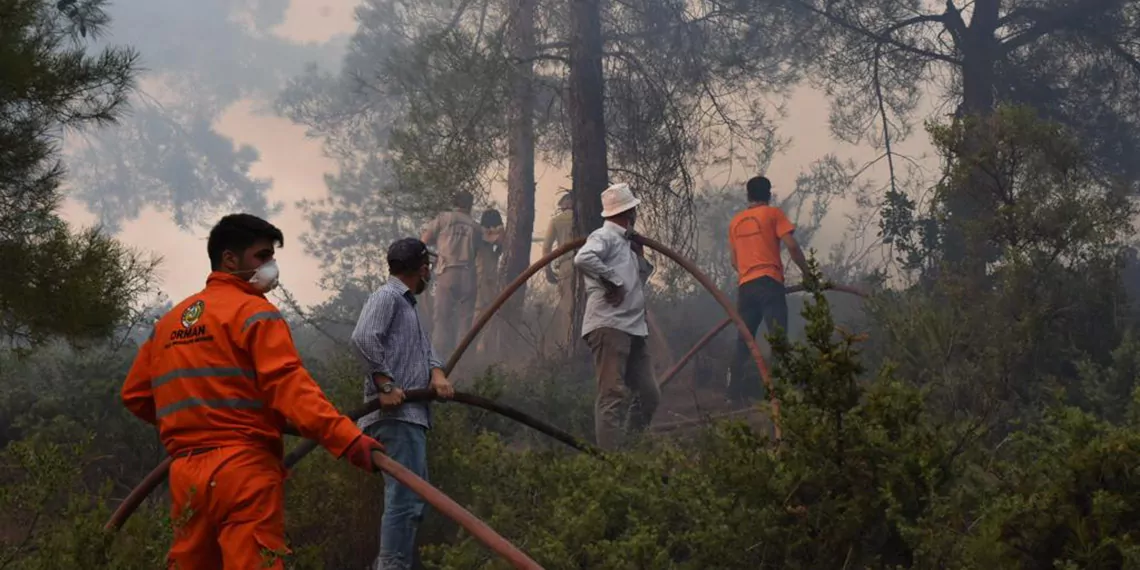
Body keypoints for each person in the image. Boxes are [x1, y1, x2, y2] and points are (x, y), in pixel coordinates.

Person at [120, 213, 385, 570]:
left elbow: (135, 396)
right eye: (262, 256)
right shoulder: (256, 313)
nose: (271, 266)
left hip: (186, 476)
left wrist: (197, 424)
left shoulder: (168, 324)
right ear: (230, 259)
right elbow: (290, 387)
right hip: (244, 469)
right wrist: (349, 440)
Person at [351, 237, 456, 570]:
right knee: (405, 500)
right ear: (422, 268)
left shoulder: (407, 306)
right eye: (428, 267)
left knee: (413, 499)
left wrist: (437, 375)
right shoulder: (387, 297)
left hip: (411, 415)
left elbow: (424, 350)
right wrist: (386, 383)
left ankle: (392, 563)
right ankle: (391, 566)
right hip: (397, 415)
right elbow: (364, 337)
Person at [573, 183, 660, 450]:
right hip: (610, 327)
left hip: (634, 329)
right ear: (630, 211)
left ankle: (629, 448)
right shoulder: (606, 236)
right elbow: (583, 258)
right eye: (634, 208)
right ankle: (611, 466)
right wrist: (613, 282)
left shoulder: (627, 243)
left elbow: (637, 282)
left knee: (649, 394)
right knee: (611, 395)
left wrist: (639, 258)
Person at [726, 176, 812, 403]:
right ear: (769, 194)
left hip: (746, 287)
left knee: (744, 341)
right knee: (778, 339)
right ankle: (780, 396)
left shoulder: (735, 222)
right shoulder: (773, 214)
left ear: (748, 195)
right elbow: (792, 245)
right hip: (769, 282)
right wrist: (807, 273)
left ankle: (733, 397)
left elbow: (734, 261)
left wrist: (748, 270)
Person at [420, 191, 482, 360]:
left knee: (441, 318)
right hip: (469, 275)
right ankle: (464, 361)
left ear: (455, 203)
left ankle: (437, 359)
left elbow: (423, 242)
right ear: (470, 205)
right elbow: (476, 250)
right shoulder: (475, 226)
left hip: (447, 272)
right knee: (466, 321)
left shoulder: (444, 219)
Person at [542, 189, 577, 354]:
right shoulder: (586, 218)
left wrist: (547, 269)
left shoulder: (556, 220)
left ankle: (568, 345)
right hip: (588, 266)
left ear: (565, 204)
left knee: (567, 307)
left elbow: (547, 248)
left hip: (566, 266)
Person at [475, 209, 504, 357]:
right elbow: (498, 239)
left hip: (488, 276)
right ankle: (478, 346)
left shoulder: (484, 233)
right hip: (483, 275)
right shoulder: (482, 232)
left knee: (489, 311)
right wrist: (500, 229)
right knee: (481, 310)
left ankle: (485, 346)